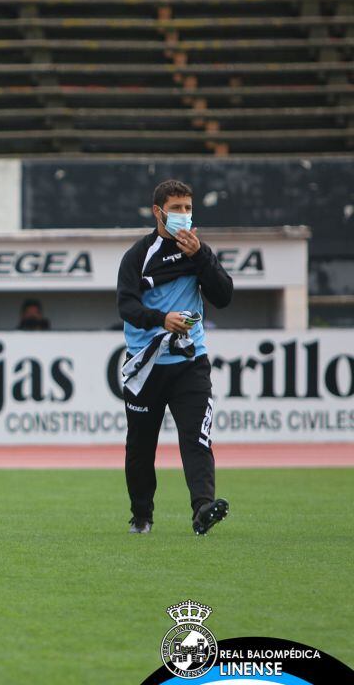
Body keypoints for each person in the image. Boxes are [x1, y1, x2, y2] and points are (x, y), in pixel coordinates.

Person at [117, 179, 233, 535]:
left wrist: (201, 257)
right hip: (147, 365)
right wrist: (161, 320)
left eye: (188, 207)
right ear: (158, 212)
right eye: (177, 208)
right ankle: (141, 516)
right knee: (140, 449)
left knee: (197, 438)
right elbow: (127, 306)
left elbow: (224, 295)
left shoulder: (199, 252)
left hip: (190, 363)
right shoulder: (138, 256)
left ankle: (202, 509)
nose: (184, 214)